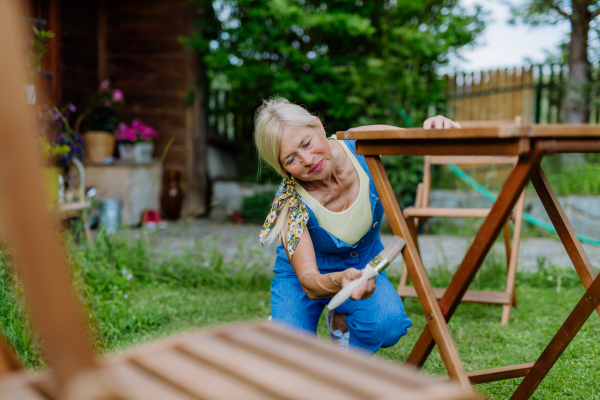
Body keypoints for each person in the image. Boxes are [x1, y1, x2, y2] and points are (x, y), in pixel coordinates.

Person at [256, 97, 461, 353]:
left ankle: (343, 336)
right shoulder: (290, 202)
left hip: (363, 265)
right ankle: (284, 325)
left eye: (307, 143)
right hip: (302, 276)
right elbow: (309, 280)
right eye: (291, 159)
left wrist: (436, 126)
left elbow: (417, 138)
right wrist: (341, 280)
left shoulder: (361, 145)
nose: (307, 159)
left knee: (387, 325)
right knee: (290, 354)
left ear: (318, 126)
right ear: (281, 168)